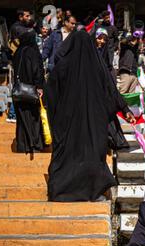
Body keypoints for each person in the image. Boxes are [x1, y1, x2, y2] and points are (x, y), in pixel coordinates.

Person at [45, 31, 135, 202]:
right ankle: (92, 191)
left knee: (68, 155)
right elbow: (111, 91)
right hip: (94, 122)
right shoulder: (98, 65)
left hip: (68, 123)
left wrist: (59, 115)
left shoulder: (62, 66)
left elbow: (50, 94)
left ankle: (62, 191)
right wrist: (125, 109)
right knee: (92, 154)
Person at [12, 31, 45, 154]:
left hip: (19, 92)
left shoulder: (18, 52)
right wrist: (40, 86)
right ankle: (35, 145)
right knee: (34, 118)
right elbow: (37, 70)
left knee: (22, 120)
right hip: (31, 91)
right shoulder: (32, 52)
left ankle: (22, 146)